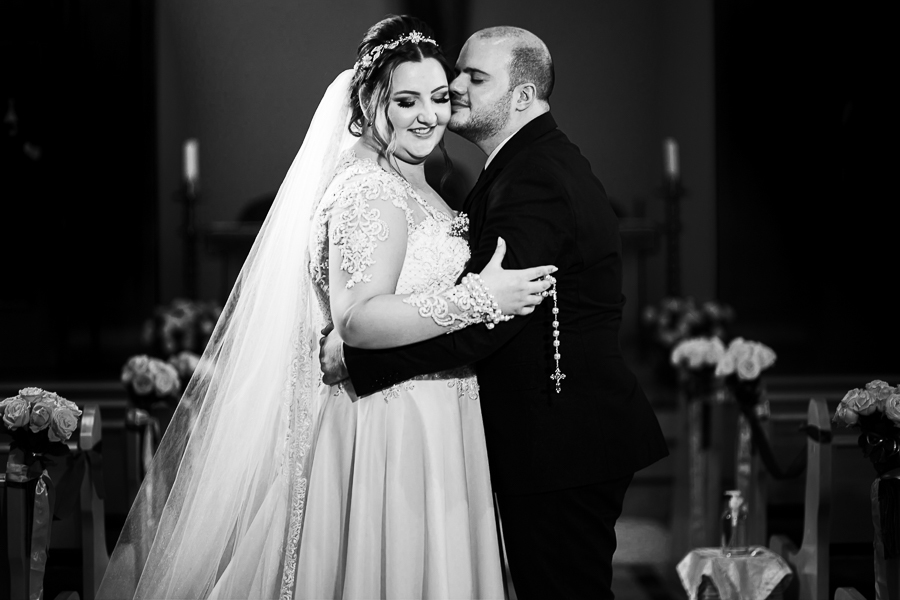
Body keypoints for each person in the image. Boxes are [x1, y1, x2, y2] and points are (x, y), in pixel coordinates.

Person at [98, 15, 555, 599]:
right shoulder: (369, 189)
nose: (429, 116)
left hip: (435, 413)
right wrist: (479, 298)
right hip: (391, 422)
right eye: (407, 100)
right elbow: (358, 320)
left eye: (439, 98)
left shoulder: (413, 180)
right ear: (372, 102)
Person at [321, 26, 670, 599]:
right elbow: (477, 300)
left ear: (523, 97)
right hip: (513, 434)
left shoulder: (534, 176)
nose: (453, 89)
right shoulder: (513, 166)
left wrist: (361, 359)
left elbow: (492, 324)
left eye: (472, 79)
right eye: (449, 77)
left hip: (562, 441)